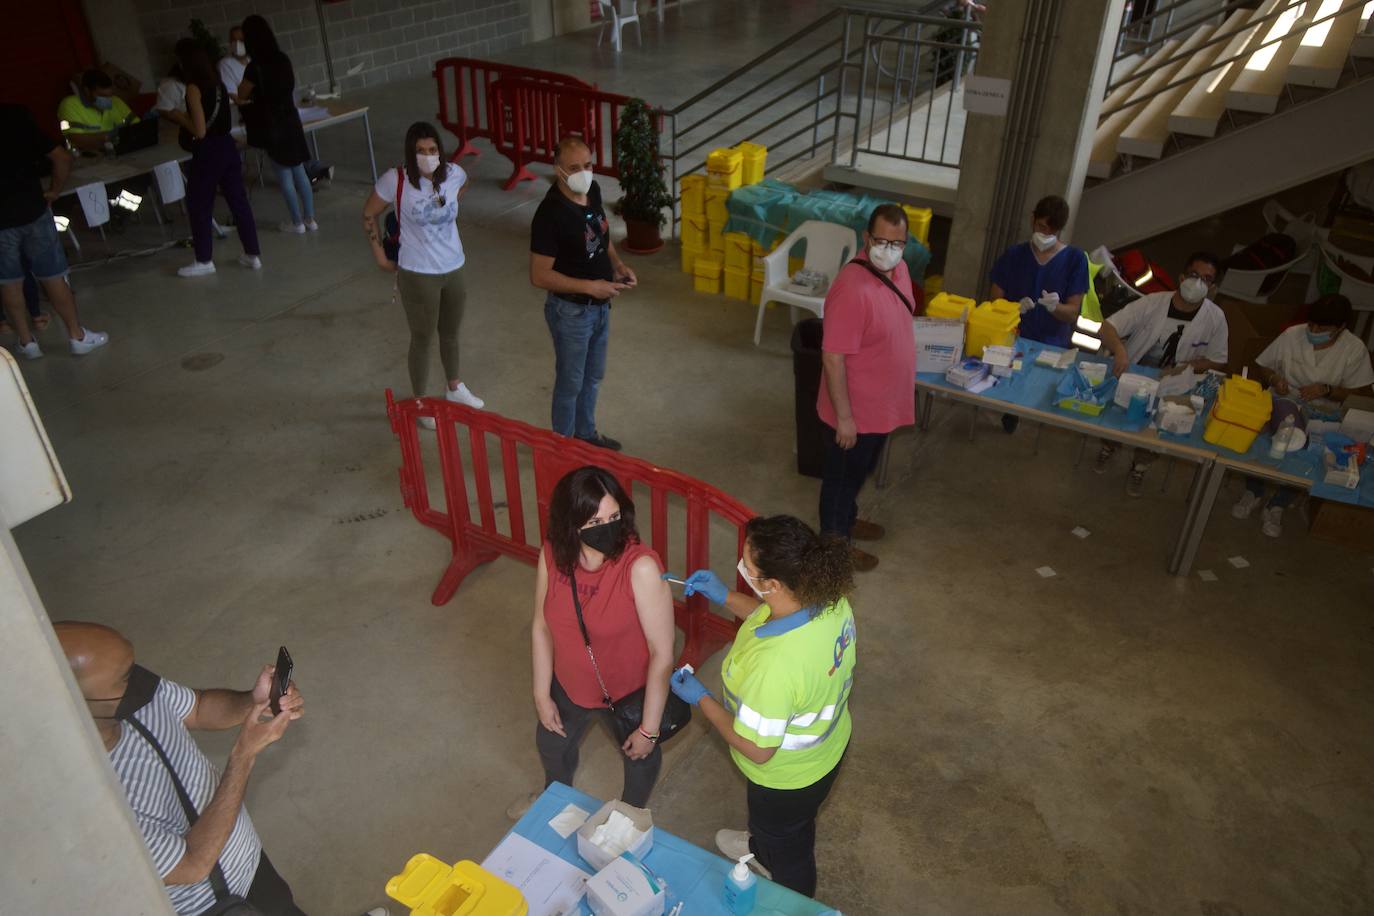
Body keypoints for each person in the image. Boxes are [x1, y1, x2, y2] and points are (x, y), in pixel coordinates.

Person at [53, 622, 308, 915]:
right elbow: (193, 864)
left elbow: (198, 708)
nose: (138, 680)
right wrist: (243, 755)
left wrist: (253, 700)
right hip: (215, 905)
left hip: (248, 862)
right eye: (124, 677)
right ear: (72, 697)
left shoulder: (134, 697)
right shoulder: (93, 805)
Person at [670, 515, 857, 898]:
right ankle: (764, 845)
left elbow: (758, 748)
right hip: (827, 751)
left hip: (785, 779)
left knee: (790, 849)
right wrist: (723, 595)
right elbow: (765, 615)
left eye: (747, 567)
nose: (742, 569)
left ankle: (793, 898)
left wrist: (701, 699)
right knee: (795, 825)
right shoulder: (829, 601)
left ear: (771, 583)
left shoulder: (775, 668)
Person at [515, 465, 674, 818]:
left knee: (639, 757)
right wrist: (542, 695)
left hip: (627, 692)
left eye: (615, 516)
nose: (610, 529)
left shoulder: (641, 568)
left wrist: (649, 729)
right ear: (571, 525)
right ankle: (552, 798)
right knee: (552, 747)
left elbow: (662, 653)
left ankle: (630, 817)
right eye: (596, 522)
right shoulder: (554, 554)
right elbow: (542, 625)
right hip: (569, 684)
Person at [817, 203, 918, 572]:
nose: (888, 249)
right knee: (841, 480)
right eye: (881, 240)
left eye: (897, 242)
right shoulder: (851, 288)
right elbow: (832, 358)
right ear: (866, 238)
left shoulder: (900, 270)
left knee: (858, 473)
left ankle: (847, 521)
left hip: (880, 408)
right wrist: (844, 418)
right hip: (853, 414)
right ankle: (834, 543)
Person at [361, 122, 483, 419]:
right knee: (423, 337)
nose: (428, 156)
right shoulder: (396, 180)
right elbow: (369, 213)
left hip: (454, 267)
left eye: (432, 150)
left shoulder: (454, 174)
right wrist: (379, 256)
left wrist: (445, 208)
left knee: (450, 333)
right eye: (420, 151)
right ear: (410, 153)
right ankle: (420, 402)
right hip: (418, 272)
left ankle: (454, 386)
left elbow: (462, 187)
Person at [529, 137, 637, 450]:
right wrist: (590, 286)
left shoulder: (592, 192)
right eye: (574, 167)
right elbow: (539, 275)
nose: (584, 172)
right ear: (558, 170)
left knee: (593, 377)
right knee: (570, 383)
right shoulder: (550, 214)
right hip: (572, 312)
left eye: (587, 165)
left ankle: (586, 435)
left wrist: (617, 265)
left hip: (601, 307)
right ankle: (562, 449)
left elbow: (600, 235)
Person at [1234, 293, 1374, 536]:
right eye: (1312, 325)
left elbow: (1361, 391)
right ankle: (1253, 491)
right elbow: (1264, 365)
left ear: (1341, 328)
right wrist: (1275, 378)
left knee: (1310, 453)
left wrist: (1327, 390)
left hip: (1325, 414)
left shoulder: (1354, 349)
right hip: (1284, 398)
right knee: (1261, 438)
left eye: (1323, 328)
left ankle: (1278, 503)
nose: (1315, 331)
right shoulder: (1292, 335)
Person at [1096, 251, 1228, 495]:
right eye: (1194, 275)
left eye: (1207, 279)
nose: (1198, 282)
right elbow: (1107, 327)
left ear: (1213, 288)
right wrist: (1120, 350)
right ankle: (1108, 447)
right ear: (1181, 277)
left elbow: (1218, 360)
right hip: (1134, 371)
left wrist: (1187, 366)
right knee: (1118, 416)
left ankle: (1140, 466)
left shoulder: (1216, 318)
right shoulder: (1153, 302)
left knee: (1157, 430)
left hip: (1174, 383)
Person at [0, 103, 108, 359]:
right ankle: (76, 336)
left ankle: (27, 343)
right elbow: (62, 157)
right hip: (33, 209)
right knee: (53, 276)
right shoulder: (15, 115)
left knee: (9, 282)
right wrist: (54, 191)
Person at [988, 194, 1090, 432]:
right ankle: (1010, 413)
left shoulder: (1075, 260)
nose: (1044, 235)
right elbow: (994, 300)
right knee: (1007, 389)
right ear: (1032, 219)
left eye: (1051, 231)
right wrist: (1013, 308)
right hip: (1015, 336)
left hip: (1051, 343)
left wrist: (1056, 308)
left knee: (1039, 394)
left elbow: (1073, 312)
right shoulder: (1014, 255)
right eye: (1041, 227)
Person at [173, 41, 262, 278]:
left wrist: (178, 117)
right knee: (238, 201)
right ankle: (252, 254)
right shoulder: (219, 83)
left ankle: (204, 259)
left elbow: (199, 130)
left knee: (199, 204)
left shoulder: (194, 88)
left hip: (208, 151)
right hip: (227, 146)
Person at [236, 15, 316, 235]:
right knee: (299, 171)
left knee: (284, 177)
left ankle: (296, 222)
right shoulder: (282, 59)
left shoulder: (255, 67)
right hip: (291, 120)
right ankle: (310, 219)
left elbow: (242, 94)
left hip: (272, 126)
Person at [58, 69, 138, 153]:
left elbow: (137, 127)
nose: (108, 100)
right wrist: (109, 136)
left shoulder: (116, 101)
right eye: (102, 96)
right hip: (87, 157)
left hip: (120, 151)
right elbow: (76, 139)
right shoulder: (70, 105)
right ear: (87, 91)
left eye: (110, 95)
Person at [219, 26, 250, 97]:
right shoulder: (225, 64)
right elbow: (233, 95)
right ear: (230, 42)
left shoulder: (252, 59)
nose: (237, 43)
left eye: (241, 40)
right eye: (234, 40)